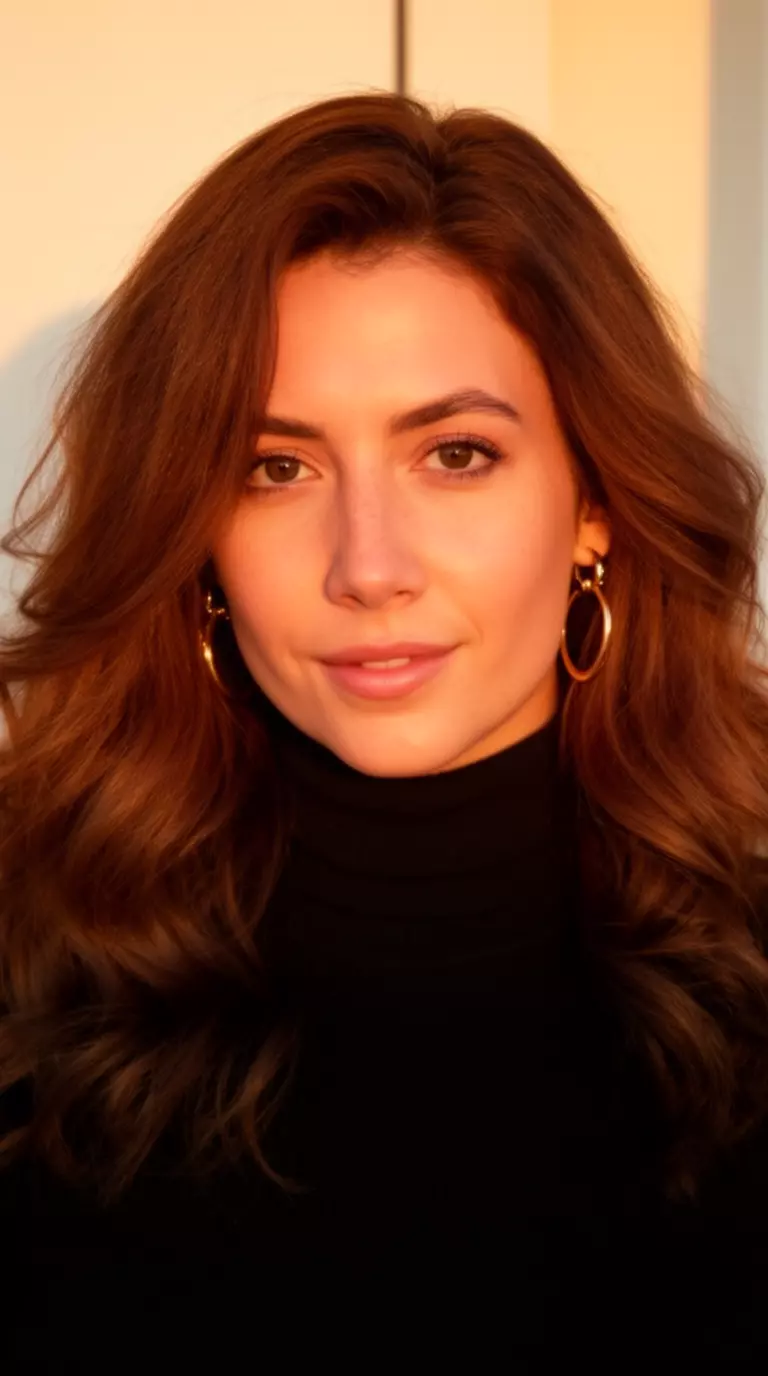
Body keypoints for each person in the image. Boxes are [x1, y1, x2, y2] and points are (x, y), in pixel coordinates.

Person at [1, 89, 768, 1363]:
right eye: (275, 467)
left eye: (455, 453)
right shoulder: (39, 981)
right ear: (194, 533)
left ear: (596, 502)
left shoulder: (747, 1005)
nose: (368, 567)